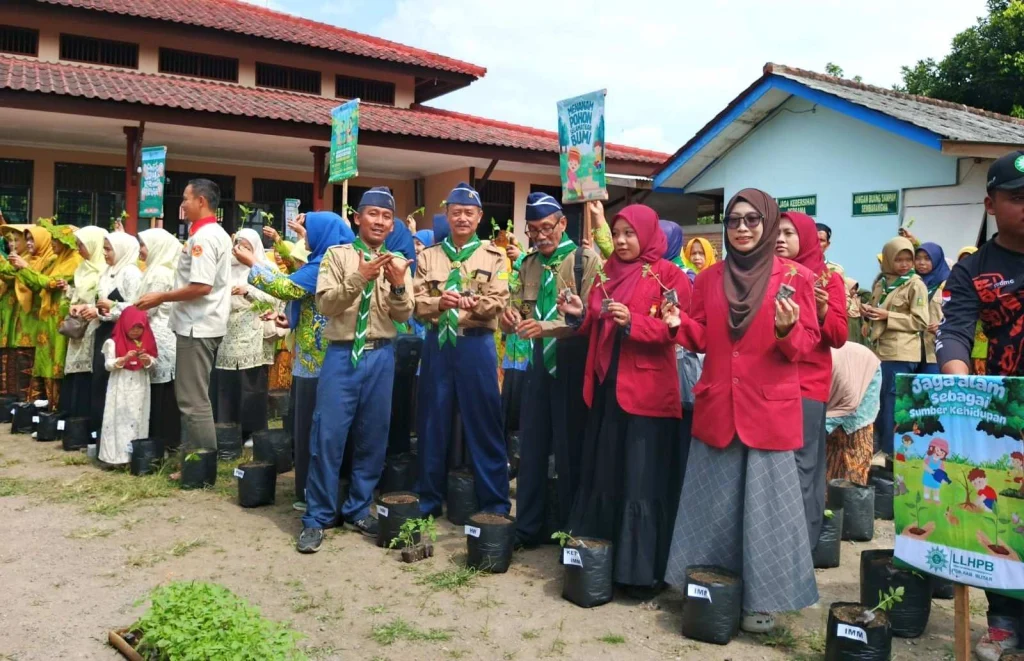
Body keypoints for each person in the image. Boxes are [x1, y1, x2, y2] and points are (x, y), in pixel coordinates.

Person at [664, 189, 820, 633]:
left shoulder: (796, 278)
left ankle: (763, 600)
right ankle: (710, 589)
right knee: (712, 506)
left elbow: (806, 346)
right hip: (718, 405)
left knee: (766, 511)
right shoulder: (709, 278)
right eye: (734, 221)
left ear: (768, 224)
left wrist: (788, 330)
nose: (743, 228)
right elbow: (702, 337)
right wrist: (679, 325)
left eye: (753, 220)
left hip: (767, 409)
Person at [558, 204, 690, 597]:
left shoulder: (669, 275)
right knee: (606, 473)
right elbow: (594, 323)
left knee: (639, 478)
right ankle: (600, 563)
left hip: (646, 395)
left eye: (630, 233)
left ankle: (638, 573)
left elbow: (677, 330)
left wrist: (634, 322)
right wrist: (579, 314)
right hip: (606, 387)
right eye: (617, 234)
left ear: (648, 233)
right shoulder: (606, 273)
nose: (621, 241)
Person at [937, 151, 1024, 661]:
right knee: (1003, 516)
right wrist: (960, 392)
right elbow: (953, 332)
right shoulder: (973, 271)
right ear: (991, 204)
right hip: (1006, 413)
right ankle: (1005, 622)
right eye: (1018, 198)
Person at [296, 187, 414, 553]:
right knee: (328, 436)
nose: (379, 221)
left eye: (386, 217)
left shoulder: (398, 262)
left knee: (373, 436)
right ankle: (317, 516)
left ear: (391, 223)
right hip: (342, 354)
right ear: (358, 218)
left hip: (381, 356)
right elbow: (327, 305)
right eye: (373, 214)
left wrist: (396, 284)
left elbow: (405, 313)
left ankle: (359, 507)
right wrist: (360, 276)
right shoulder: (337, 256)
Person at [504, 193, 599, 548]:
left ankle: (571, 531)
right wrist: (509, 317)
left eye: (547, 228)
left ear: (562, 223)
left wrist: (549, 327)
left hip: (573, 362)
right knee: (531, 448)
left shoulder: (584, 260)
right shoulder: (527, 265)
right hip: (537, 363)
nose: (541, 236)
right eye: (533, 230)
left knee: (570, 448)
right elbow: (514, 309)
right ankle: (528, 528)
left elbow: (591, 319)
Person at [241, 211, 354, 510]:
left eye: (309, 233)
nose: (306, 238)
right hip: (311, 358)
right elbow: (305, 299)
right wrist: (290, 319)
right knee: (309, 427)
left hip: (320, 363)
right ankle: (313, 491)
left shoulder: (327, 263)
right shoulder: (328, 261)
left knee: (315, 428)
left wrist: (254, 264)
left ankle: (315, 494)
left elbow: (289, 287)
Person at [413, 182, 511, 518]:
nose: (462, 218)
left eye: (469, 212)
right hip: (438, 345)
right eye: (456, 212)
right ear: (447, 215)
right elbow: (416, 302)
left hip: (476, 345)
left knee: (484, 423)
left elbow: (499, 300)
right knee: (431, 423)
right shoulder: (429, 257)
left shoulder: (494, 257)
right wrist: (440, 302)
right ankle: (428, 500)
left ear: (479, 216)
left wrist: (471, 305)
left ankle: (495, 503)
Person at [136, 178, 232, 463]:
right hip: (201, 322)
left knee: (192, 399)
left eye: (186, 199)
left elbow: (201, 286)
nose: (183, 205)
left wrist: (161, 297)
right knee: (192, 396)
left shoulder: (204, 237)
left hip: (198, 324)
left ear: (201, 201)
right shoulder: (210, 233)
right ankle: (194, 458)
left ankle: (201, 462)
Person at [775, 211, 847, 549]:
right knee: (772, 468)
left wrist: (821, 312)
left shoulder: (827, 278)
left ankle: (800, 546)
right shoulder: (763, 274)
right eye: (775, 232)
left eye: (788, 233)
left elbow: (838, 336)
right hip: (768, 382)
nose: (779, 239)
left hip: (805, 384)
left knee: (802, 467)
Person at [862, 236, 933, 456]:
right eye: (898, 259)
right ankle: (879, 446)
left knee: (894, 403)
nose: (904, 265)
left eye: (907, 260)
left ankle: (892, 451)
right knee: (878, 401)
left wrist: (887, 315)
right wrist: (867, 313)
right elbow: (877, 310)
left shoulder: (915, 284)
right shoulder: (882, 282)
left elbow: (920, 321)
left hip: (901, 352)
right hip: (879, 350)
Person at [213, 228, 278, 444]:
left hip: (254, 328)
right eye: (238, 246)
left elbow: (275, 299)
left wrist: (247, 291)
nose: (240, 252)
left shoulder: (266, 268)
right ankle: (228, 429)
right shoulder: (225, 269)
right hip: (228, 330)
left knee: (251, 383)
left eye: (246, 248)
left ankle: (253, 431)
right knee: (227, 381)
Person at [10, 223, 81, 406]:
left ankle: (56, 407)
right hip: (47, 316)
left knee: (56, 361)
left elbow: (51, 283)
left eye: (57, 239)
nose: (53, 242)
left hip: (60, 317)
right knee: (45, 362)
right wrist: (22, 269)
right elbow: (38, 284)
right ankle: (44, 408)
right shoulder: (54, 261)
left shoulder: (74, 261)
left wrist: (25, 267)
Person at [93, 232, 143, 438]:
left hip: (123, 334)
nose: (104, 253)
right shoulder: (107, 271)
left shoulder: (131, 273)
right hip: (104, 330)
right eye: (104, 248)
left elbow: (138, 306)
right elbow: (100, 300)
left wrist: (112, 306)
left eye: (108, 249)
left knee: (116, 384)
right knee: (100, 380)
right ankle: (100, 432)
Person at [137, 228, 182, 452]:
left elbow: (146, 310)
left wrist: (118, 310)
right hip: (160, 336)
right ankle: (165, 441)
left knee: (161, 392)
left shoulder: (159, 274)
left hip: (159, 337)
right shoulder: (159, 270)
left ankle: (162, 441)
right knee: (163, 391)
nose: (140, 250)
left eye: (143, 245)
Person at [59, 226, 108, 420]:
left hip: (93, 326)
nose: (78, 249)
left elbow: (102, 299)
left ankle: (84, 418)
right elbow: (80, 294)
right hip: (77, 327)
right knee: (74, 369)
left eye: (82, 244)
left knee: (88, 369)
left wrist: (88, 306)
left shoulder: (104, 270)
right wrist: (70, 293)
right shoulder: (83, 268)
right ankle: (72, 417)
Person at [98, 306, 157, 466]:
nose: (136, 331)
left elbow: (153, 364)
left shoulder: (145, 341)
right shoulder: (113, 342)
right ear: (124, 324)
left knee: (137, 417)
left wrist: (146, 361)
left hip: (139, 384)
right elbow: (108, 365)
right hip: (120, 385)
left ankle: (136, 457)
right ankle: (116, 457)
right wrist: (123, 359)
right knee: (119, 418)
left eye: (140, 327)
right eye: (133, 326)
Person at [824, 342, 881, 484]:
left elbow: (850, 403)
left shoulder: (844, 381)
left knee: (855, 446)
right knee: (830, 453)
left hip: (864, 379)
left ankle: (852, 499)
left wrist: (822, 428)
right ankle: (829, 499)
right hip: (840, 386)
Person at [915, 242, 950, 370]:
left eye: (927, 258)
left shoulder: (948, 284)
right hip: (912, 350)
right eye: (917, 258)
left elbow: (957, 314)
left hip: (936, 348)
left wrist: (943, 327)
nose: (921, 263)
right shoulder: (911, 283)